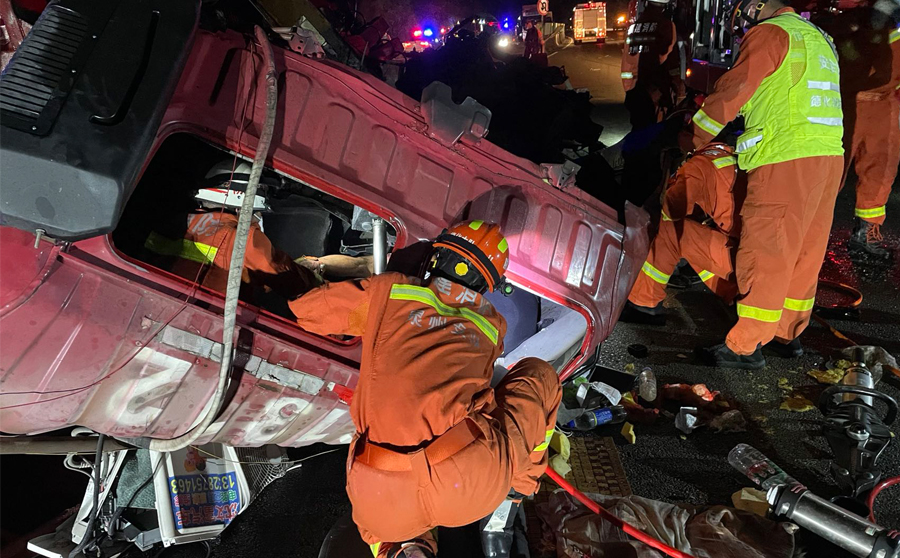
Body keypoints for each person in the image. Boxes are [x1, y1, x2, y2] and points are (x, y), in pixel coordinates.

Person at [288, 221, 562, 558]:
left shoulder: (390, 291)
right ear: (488, 284)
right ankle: (519, 487)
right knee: (540, 375)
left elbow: (308, 312)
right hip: (442, 484)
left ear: (435, 258)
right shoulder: (492, 324)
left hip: (459, 490)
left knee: (392, 520)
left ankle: (408, 545)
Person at [688, 0, 845, 369]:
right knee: (805, 249)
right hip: (828, 158)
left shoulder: (770, 33)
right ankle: (787, 334)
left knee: (767, 247)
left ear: (758, 2)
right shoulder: (818, 37)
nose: (745, 22)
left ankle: (746, 345)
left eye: (744, 13)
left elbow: (733, 91)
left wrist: (694, 137)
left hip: (784, 157)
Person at [143, 160, 371, 300]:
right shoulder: (241, 237)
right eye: (256, 213)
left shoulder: (176, 221)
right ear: (243, 200)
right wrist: (312, 269)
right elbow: (291, 281)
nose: (258, 218)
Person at [622, 142, 742, 325]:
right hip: (762, 260)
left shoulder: (699, 165)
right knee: (694, 235)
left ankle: (644, 304)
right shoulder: (732, 158)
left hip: (743, 258)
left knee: (672, 232)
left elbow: (672, 210)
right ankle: (733, 294)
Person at [833, 0, 900, 257]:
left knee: (881, 171)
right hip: (851, 104)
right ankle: (808, 228)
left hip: (885, 106)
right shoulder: (860, 21)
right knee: (833, 170)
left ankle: (867, 234)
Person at [621, 0, 677, 130]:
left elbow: (627, 61)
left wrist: (629, 89)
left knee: (638, 131)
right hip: (654, 91)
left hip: (634, 90)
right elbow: (666, 58)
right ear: (666, 4)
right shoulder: (666, 26)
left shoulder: (633, 28)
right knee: (654, 133)